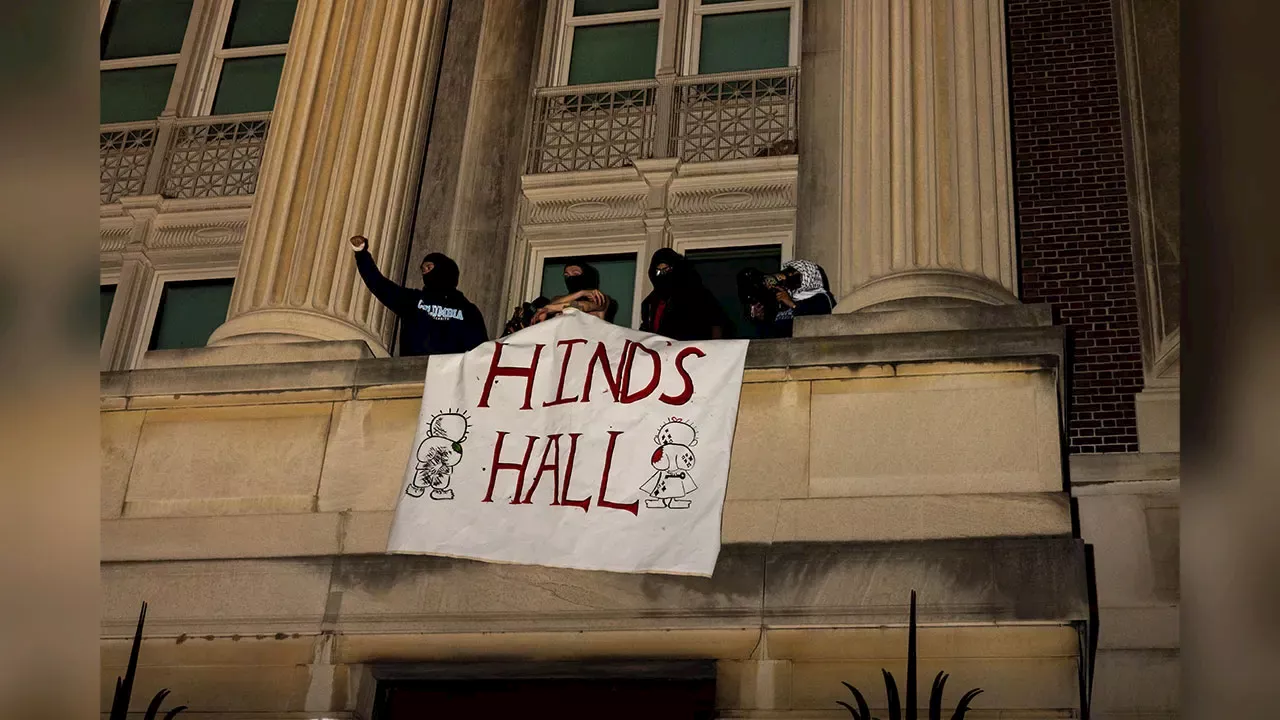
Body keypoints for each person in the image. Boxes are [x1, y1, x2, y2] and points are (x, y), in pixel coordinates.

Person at [348, 235, 487, 356]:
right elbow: (380, 285)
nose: (424, 272)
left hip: (450, 377)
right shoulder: (413, 300)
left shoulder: (467, 310)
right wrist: (361, 254)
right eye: (423, 269)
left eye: (429, 267)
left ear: (443, 269)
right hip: (413, 374)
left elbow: (480, 350)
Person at [639, 248, 730, 341]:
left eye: (667, 269)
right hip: (664, 353)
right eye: (658, 271)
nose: (663, 275)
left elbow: (717, 323)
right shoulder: (649, 304)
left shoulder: (696, 295)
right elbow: (645, 336)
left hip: (691, 352)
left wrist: (713, 349)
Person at [738, 259, 836, 338]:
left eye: (795, 273)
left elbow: (817, 324)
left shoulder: (823, 298)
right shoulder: (781, 300)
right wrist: (760, 320)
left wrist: (792, 305)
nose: (790, 276)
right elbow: (770, 335)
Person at [530, 258, 618, 326]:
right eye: (567, 275)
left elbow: (582, 306)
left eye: (575, 274)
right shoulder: (558, 299)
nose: (570, 278)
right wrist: (581, 293)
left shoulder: (599, 298)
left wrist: (551, 308)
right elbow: (552, 304)